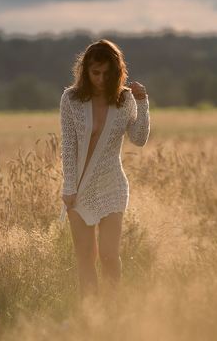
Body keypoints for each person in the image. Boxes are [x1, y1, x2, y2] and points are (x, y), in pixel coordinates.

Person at [59, 38, 150, 300]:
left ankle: (113, 309)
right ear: (85, 70)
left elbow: (140, 139)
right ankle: (90, 315)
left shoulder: (124, 100)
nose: (100, 78)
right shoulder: (71, 99)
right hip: (79, 188)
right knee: (85, 258)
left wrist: (143, 104)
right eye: (95, 72)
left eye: (106, 73)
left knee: (110, 255)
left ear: (116, 71)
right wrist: (69, 187)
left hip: (113, 184)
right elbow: (68, 146)